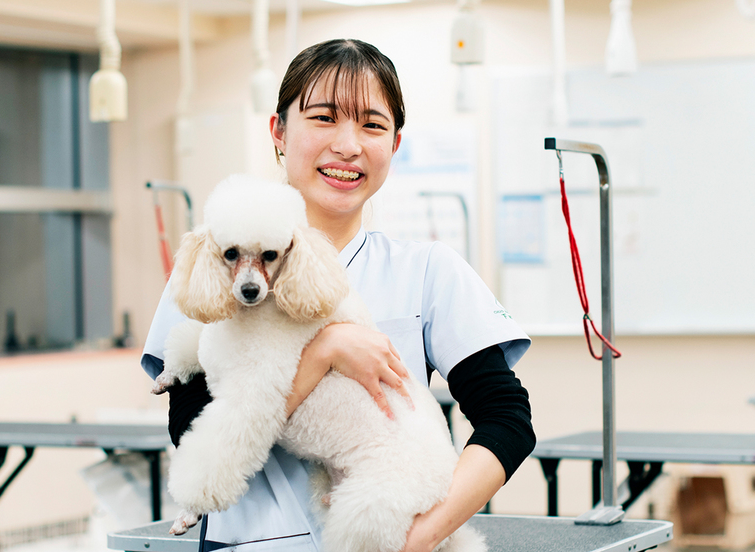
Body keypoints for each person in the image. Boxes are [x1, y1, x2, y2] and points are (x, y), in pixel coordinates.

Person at [141, 38, 535, 552]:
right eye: (324, 118)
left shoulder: (428, 271)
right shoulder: (216, 262)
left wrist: (419, 538)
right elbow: (192, 426)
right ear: (278, 132)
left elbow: (507, 420)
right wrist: (326, 350)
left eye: (372, 125)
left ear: (394, 145)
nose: (349, 145)